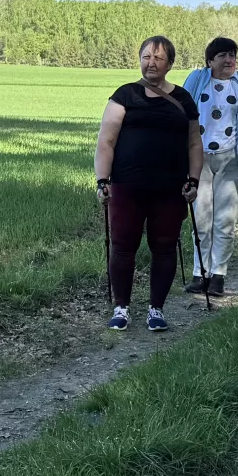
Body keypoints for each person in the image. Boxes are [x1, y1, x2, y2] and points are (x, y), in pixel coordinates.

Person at [95, 36, 201, 331]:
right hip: (127, 185)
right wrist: (103, 180)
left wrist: (194, 180)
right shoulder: (125, 95)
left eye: (158, 58)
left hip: (170, 187)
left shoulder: (183, 99)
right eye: (146, 56)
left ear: (170, 63)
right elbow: (106, 141)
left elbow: (194, 144)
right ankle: (121, 307)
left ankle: (156, 309)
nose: (150, 63)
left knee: (165, 246)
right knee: (123, 246)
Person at [179, 37, 238, 296]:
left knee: (225, 221)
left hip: (232, 160)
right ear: (210, 61)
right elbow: (181, 110)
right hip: (198, 160)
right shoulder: (196, 78)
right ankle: (199, 273)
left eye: (233, 55)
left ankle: (218, 276)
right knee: (201, 220)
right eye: (223, 55)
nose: (229, 60)